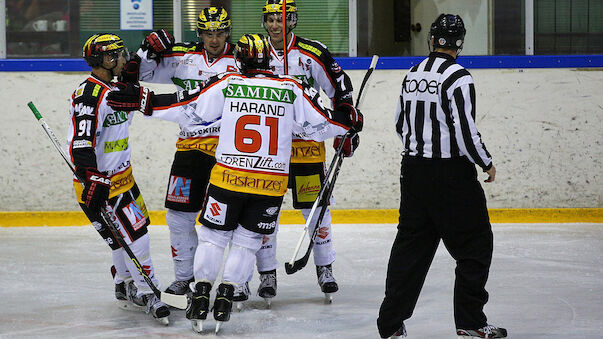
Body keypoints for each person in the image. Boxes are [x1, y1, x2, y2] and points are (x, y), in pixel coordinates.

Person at [107, 33, 363, 333]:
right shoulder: (291, 88)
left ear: (239, 60)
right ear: (268, 59)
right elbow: (320, 124)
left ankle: (202, 291)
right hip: (268, 186)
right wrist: (348, 121)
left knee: (214, 239)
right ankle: (228, 291)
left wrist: (145, 101)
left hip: (228, 179)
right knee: (246, 243)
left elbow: (190, 109)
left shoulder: (228, 83)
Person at [376, 14, 507, 339]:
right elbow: (465, 130)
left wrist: (420, 151)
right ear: (459, 43)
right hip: (451, 177)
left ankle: (390, 325)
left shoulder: (413, 73)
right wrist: (486, 162)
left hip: (414, 171)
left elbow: (399, 124)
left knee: (410, 248)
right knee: (476, 246)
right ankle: (470, 322)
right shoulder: (459, 77)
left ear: (431, 40)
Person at [251, 0, 358, 302]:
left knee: (316, 213)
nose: (275, 25)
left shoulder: (312, 52)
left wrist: (344, 124)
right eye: (271, 19)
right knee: (264, 216)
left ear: (293, 20)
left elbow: (341, 89)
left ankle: (326, 270)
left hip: (307, 149)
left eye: (281, 19)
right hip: (268, 150)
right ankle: (267, 274)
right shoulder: (253, 53)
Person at [135, 7, 239, 299]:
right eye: (208, 33)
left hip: (229, 152)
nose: (214, 39)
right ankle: (184, 278)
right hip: (189, 149)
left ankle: (237, 281)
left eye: (219, 33)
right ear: (200, 33)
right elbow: (137, 73)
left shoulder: (242, 58)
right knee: (179, 217)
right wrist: (147, 49)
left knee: (230, 219)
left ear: (227, 31)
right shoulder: (183, 56)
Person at [69, 33, 170, 324]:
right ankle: (147, 291)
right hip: (101, 184)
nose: (123, 59)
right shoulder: (90, 95)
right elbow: (81, 142)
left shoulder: (114, 87)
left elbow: (132, 79)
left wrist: (144, 51)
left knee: (121, 240)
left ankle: (124, 284)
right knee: (136, 238)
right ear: (106, 60)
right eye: (119, 54)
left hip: (123, 179)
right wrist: (91, 177)